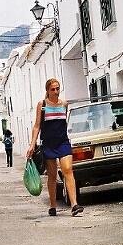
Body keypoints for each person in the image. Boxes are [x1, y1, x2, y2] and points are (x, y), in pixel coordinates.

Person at [26, 78, 84, 217]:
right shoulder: (42, 105)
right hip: (48, 144)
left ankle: (74, 204)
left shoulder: (64, 104)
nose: (56, 91)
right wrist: (32, 144)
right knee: (52, 175)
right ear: (47, 90)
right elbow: (37, 126)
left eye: (58, 88)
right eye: (53, 89)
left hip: (63, 142)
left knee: (68, 170)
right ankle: (53, 205)